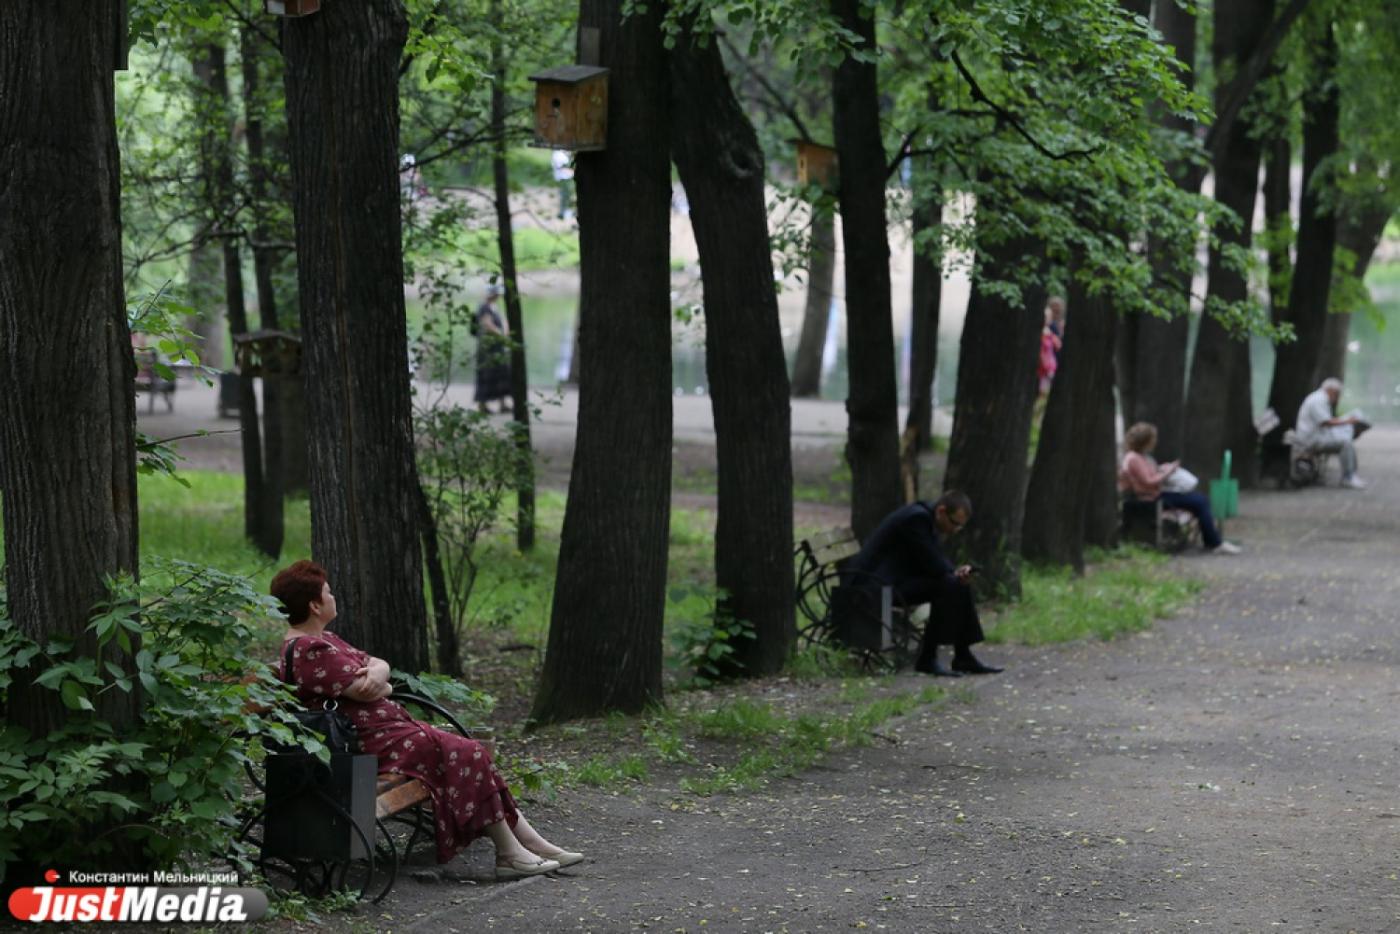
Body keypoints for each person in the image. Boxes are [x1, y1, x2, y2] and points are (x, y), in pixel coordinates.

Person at [270, 560, 583, 880]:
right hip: (363, 744)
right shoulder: (308, 648)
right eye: (328, 592)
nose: (334, 596)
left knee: (467, 749)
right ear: (314, 604)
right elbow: (365, 691)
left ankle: (528, 843)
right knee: (466, 752)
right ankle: (510, 853)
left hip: (386, 734)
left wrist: (380, 675)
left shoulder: (326, 639)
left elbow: (375, 664)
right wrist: (383, 683)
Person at [843, 491, 1004, 678]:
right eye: (954, 523)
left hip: (890, 583)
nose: (955, 530)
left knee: (956, 584)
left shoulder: (924, 518)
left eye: (960, 526)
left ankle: (963, 655)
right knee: (948, 585)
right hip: (873, 588)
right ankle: (928, 659)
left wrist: (956, 573)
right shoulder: (916, 519)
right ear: (942, 511)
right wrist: (954, 573)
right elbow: (932, 563)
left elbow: (931, 560)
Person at [1119, 422, 1241, 555]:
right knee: (1200, 502)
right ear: (1146, 440)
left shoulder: (1140, 456)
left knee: (1200, 500)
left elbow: (1149, 476)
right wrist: (1168, 471)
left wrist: (1162, 469)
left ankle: (1212, 540)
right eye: (1153, 438)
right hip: (1151, 499)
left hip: (1155, 495)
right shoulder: (1134, 459)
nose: (1155, 441)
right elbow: (1148, 481)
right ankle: (1214, 542)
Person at [1295, 377, 1369, 489]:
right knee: (1346, 444)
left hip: (1317, 436)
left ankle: (1351, 475)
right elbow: (1325, 422)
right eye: (1337, 394)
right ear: (1331, 391)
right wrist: (1348, 421)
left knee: (1346, 440)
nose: (1337, 398)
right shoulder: (1318, 400)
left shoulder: (1320, 399)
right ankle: (1348, 477)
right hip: (1311, 440)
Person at [474, 284, 512, 414]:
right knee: (487, 373)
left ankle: (503, 403)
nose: (497, 296)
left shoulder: (495, 307)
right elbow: (487, 324)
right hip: (487, 347)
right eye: (495, 294)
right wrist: (501, 335)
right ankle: (482, 405)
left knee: (502, 372)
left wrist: (505, 332)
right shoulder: (484, 307)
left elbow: (503, 321)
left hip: (497, 346)